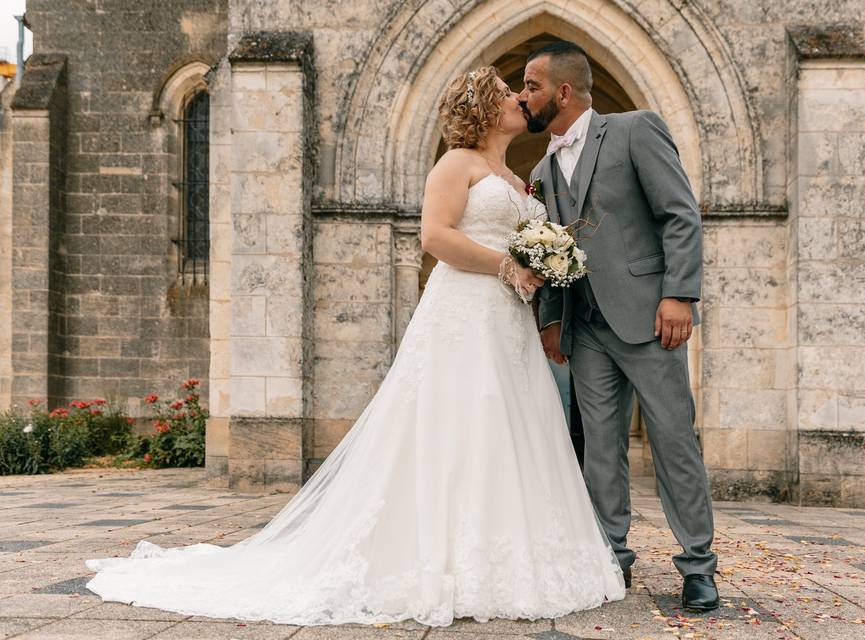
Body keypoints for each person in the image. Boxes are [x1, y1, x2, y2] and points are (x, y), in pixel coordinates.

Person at [82, 66, 625, 627]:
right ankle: (442, 557)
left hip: (507, 318)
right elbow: (435, 237)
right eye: (507, 94)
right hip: (464, 307)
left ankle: (515, 550)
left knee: (512, 423)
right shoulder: (455, 163)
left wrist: (540, 266)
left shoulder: (516, 179)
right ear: (486, 109)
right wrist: (508, 265)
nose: (518, 100)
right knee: (462, 419)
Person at [521, 40, 720, 611]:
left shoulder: (635, 130)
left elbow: (679, 213)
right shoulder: (539, 170)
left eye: (531, 85)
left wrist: (679, 295)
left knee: (674, 440)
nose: (523, 95)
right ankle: (612, 557)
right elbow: (552, 251)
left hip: (652, 319)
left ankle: (698, 566)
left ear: (562, 90)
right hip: (585, 330)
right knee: (600, 450)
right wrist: (554, 322)